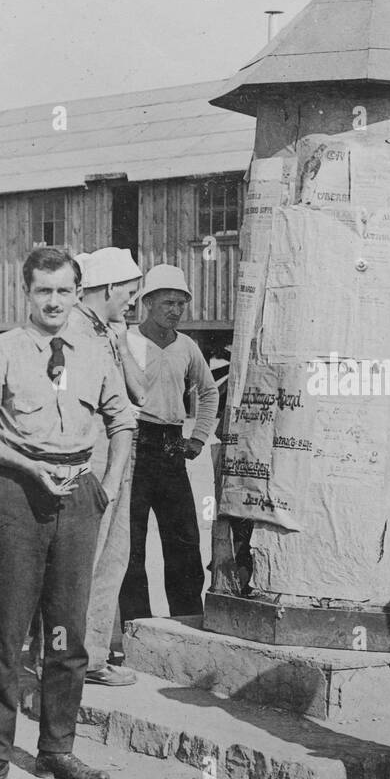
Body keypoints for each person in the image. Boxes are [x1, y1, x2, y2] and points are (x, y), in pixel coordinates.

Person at [0, 247, 135, 779]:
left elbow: (123, 420)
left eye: (63, 291)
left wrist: (105, 487)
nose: (53, 301)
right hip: (17, 493)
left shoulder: (95, 352)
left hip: (78, 494)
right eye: (43, 291)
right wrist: (28, 465)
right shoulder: (0, 351)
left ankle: (58, 749)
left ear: (78, 294)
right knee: (9, 631)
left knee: (67, 633)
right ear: (27, 294)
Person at [118, 265, 219, 622]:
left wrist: (198, 438)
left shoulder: (187, 346)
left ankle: (188, 620)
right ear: (147, 302)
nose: (175, 310)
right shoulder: (127, 341)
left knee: (184, 540)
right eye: (167, 302)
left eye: (181, 303)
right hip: (133, 444)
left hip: (173, 446)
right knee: (131, 543)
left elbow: (209, 392)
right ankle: (135, 624)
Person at [69, 247, 145, 686]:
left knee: (111, 556)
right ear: (111, 288)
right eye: (130, 292)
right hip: (96, 456)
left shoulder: (103, 330)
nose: (132, 301)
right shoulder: (81, 331)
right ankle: (75, 660)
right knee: (90, 560)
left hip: (112, 452)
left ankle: (83, 656)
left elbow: (137, 395)